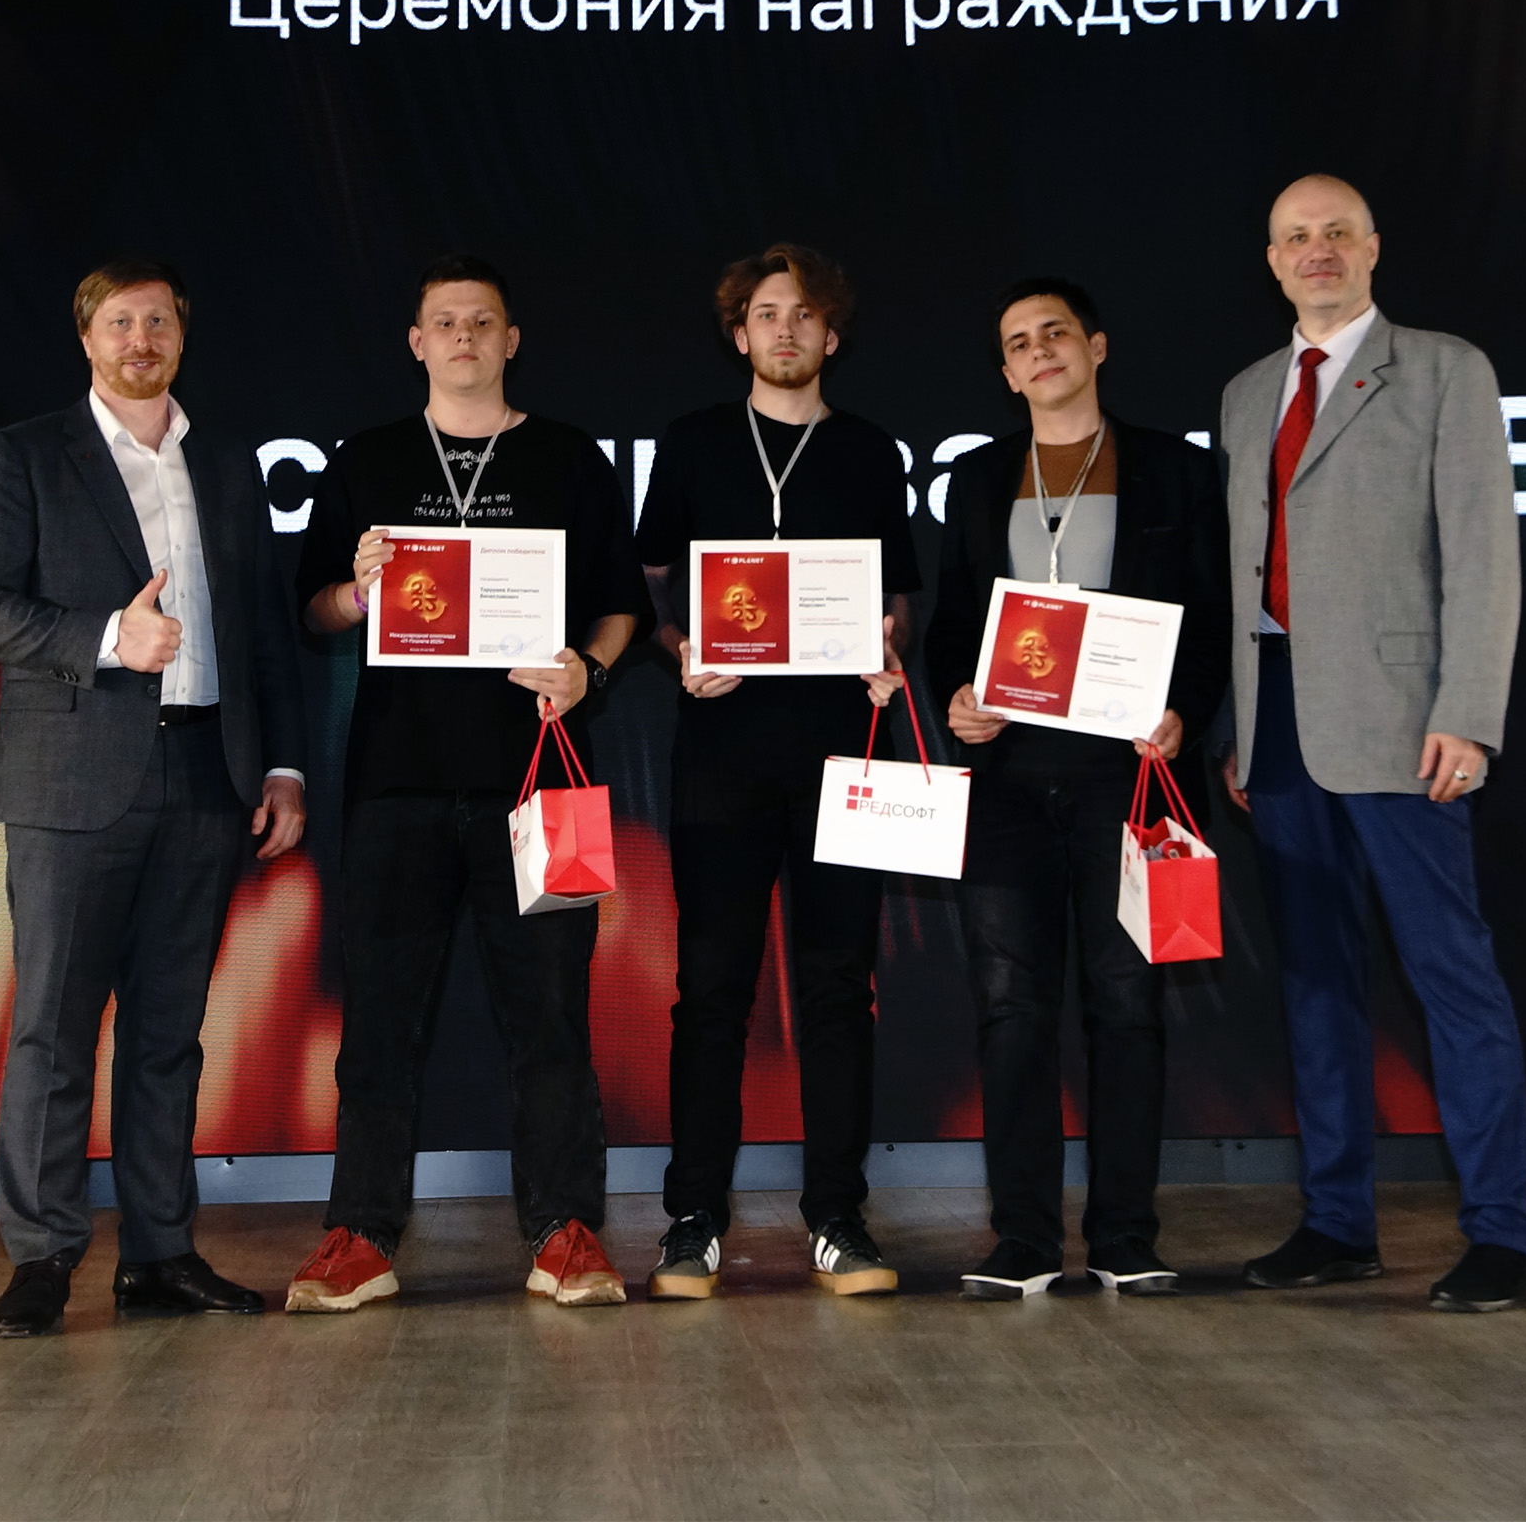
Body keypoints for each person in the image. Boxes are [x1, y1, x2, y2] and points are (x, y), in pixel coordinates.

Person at [0, 258, 309, 1338]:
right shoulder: (25, 455)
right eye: (120, 322)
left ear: (181, 336)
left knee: (168, 1035)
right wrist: (109, 636)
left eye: (157, 321)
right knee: (53, 1034)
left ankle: (159, 1253)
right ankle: (42, 1257)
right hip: (70, 783)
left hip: (206, 777)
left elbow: (262, 628)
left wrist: (283, 766)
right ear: (87, 337)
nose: (140, 338)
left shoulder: (227, 464)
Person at [286, 255, 648, 1312]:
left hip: (538, 781)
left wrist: (588, 672)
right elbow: (310, 608)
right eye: (443, 322)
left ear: (510, 340)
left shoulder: (570, 458)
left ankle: (565, 1231)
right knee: (378, 1023)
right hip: (395, 782)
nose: (463, 336)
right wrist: (358, 597)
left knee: (552, 1019)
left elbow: (621, 604)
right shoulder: (367, 458)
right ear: (416, 343)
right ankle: (359, 1234)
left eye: (482, 321)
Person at [1218, 174, 1526, 1312]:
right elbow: (1242, 576)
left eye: (1336, 233)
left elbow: (1483, 554)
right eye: (1294, 237)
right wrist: (1238, 724)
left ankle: (1502, 1234)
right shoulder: (1246, 394)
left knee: (1451, 975)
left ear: (1371, 249)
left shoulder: (1445, 369)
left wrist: (1469, 710)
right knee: (1316, 987)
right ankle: (1336, 1222)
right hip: (1279, 726)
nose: (1316, 251)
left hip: (1409, 724)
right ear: (1272, 261)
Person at [923, 278, 1231, 1300]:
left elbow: (1210, 616)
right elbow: (952, 622)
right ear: (1007, 374)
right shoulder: (979, 478)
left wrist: (1185, 713)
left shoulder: (1177, 469)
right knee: (1009, 1008)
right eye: (1018, 342)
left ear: (1096, 347)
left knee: (1126, 1004)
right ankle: (1020, 1238)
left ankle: (1124, 1236)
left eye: (1055, 332)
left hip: (1126, 776)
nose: (1039, 350)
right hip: (1009, 780)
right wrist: (959, 697)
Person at [632, 244, 921, 1301]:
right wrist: (681, 650)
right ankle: (693, 1217)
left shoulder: (871, 451)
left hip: (842, 755)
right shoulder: (696, 441)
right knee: (711, 990)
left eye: (804, 314)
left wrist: (887, 648)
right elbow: (652, 580)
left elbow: (898, 596)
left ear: (831, 335)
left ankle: (837, 1215)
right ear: (738, 331)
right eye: (766, 313)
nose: (785, 329)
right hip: (721, 759)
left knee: (840, 990)